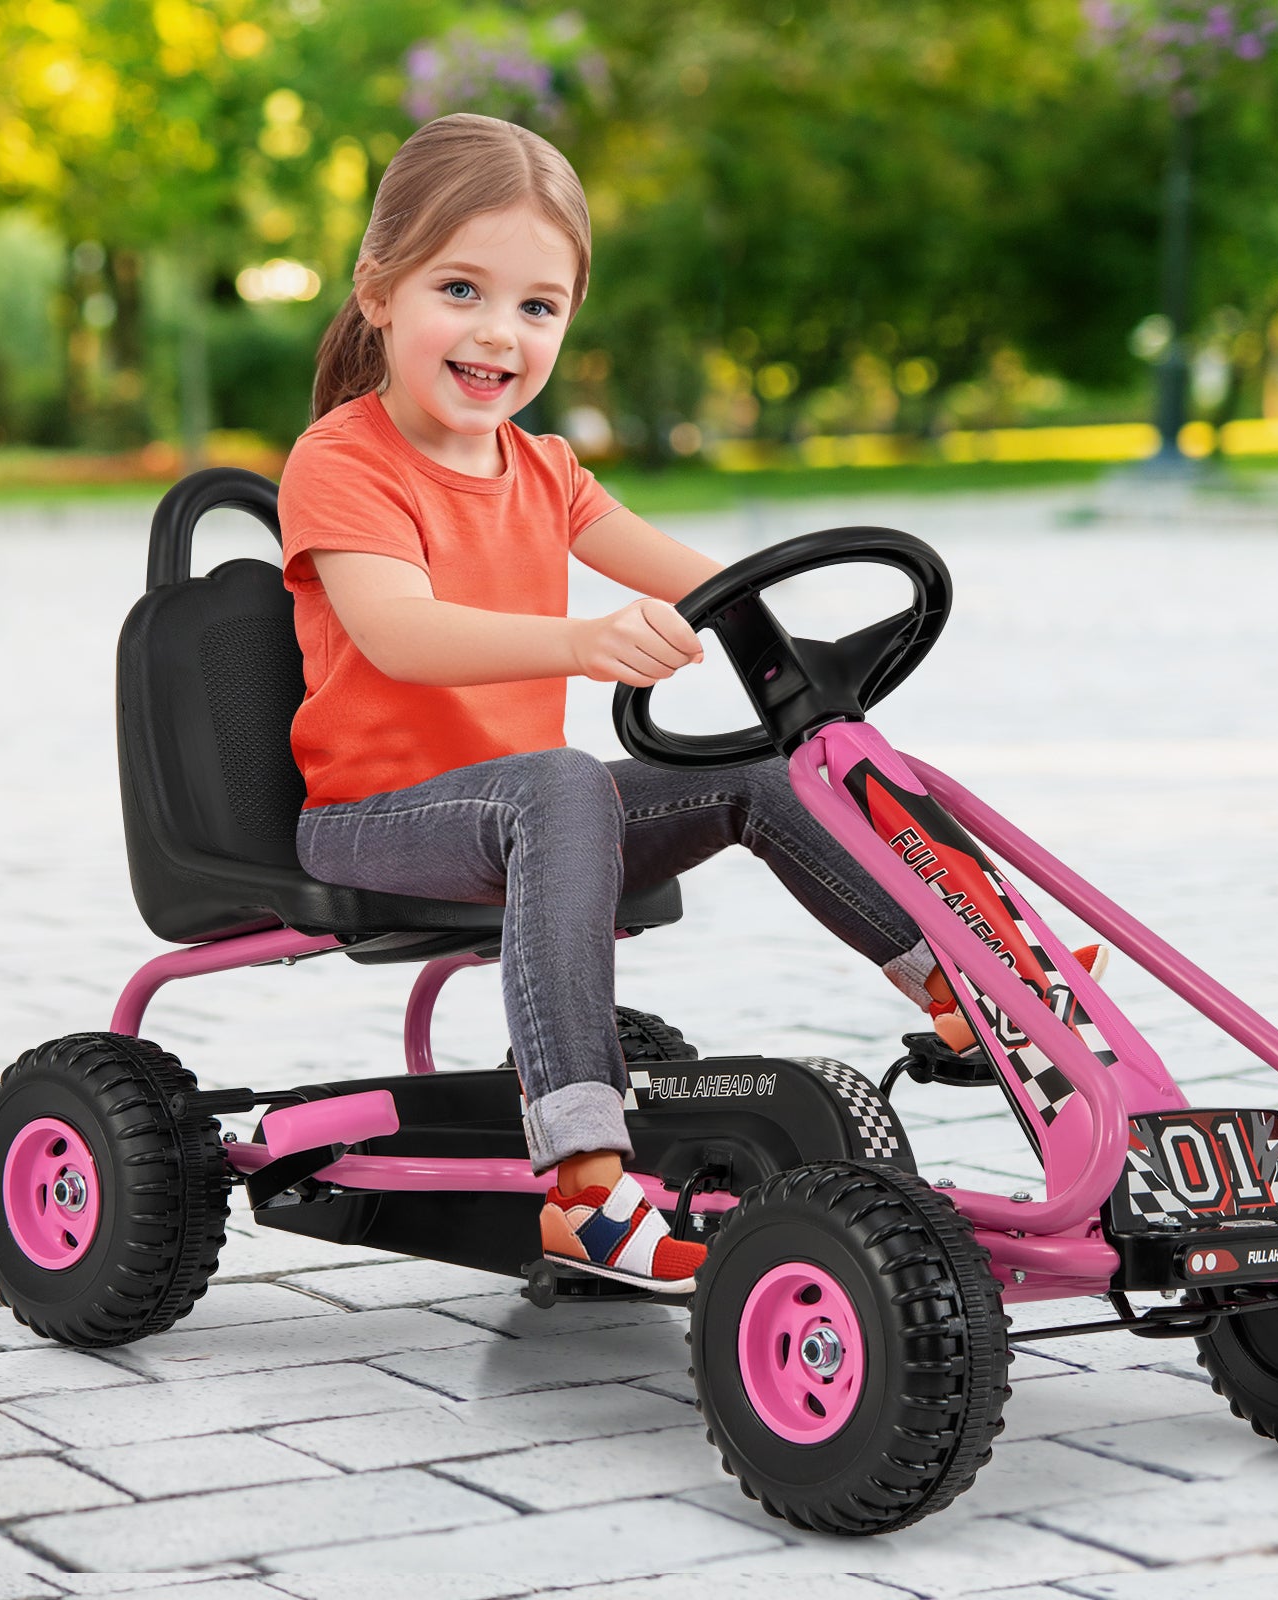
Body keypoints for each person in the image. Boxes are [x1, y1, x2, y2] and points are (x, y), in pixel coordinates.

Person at [278, 112, 1104, 1293]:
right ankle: (578, 1182)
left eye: (536, 306)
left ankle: (964, 985)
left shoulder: (546, 468)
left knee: (766, 769)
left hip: (527, 814)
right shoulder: (342, 461)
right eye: (460, 290)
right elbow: (397, 635)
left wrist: (815, 665)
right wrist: (582, 639)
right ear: (378, 290)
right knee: (563, 780)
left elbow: (703, 585)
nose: (496, 334)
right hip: (375, 815)